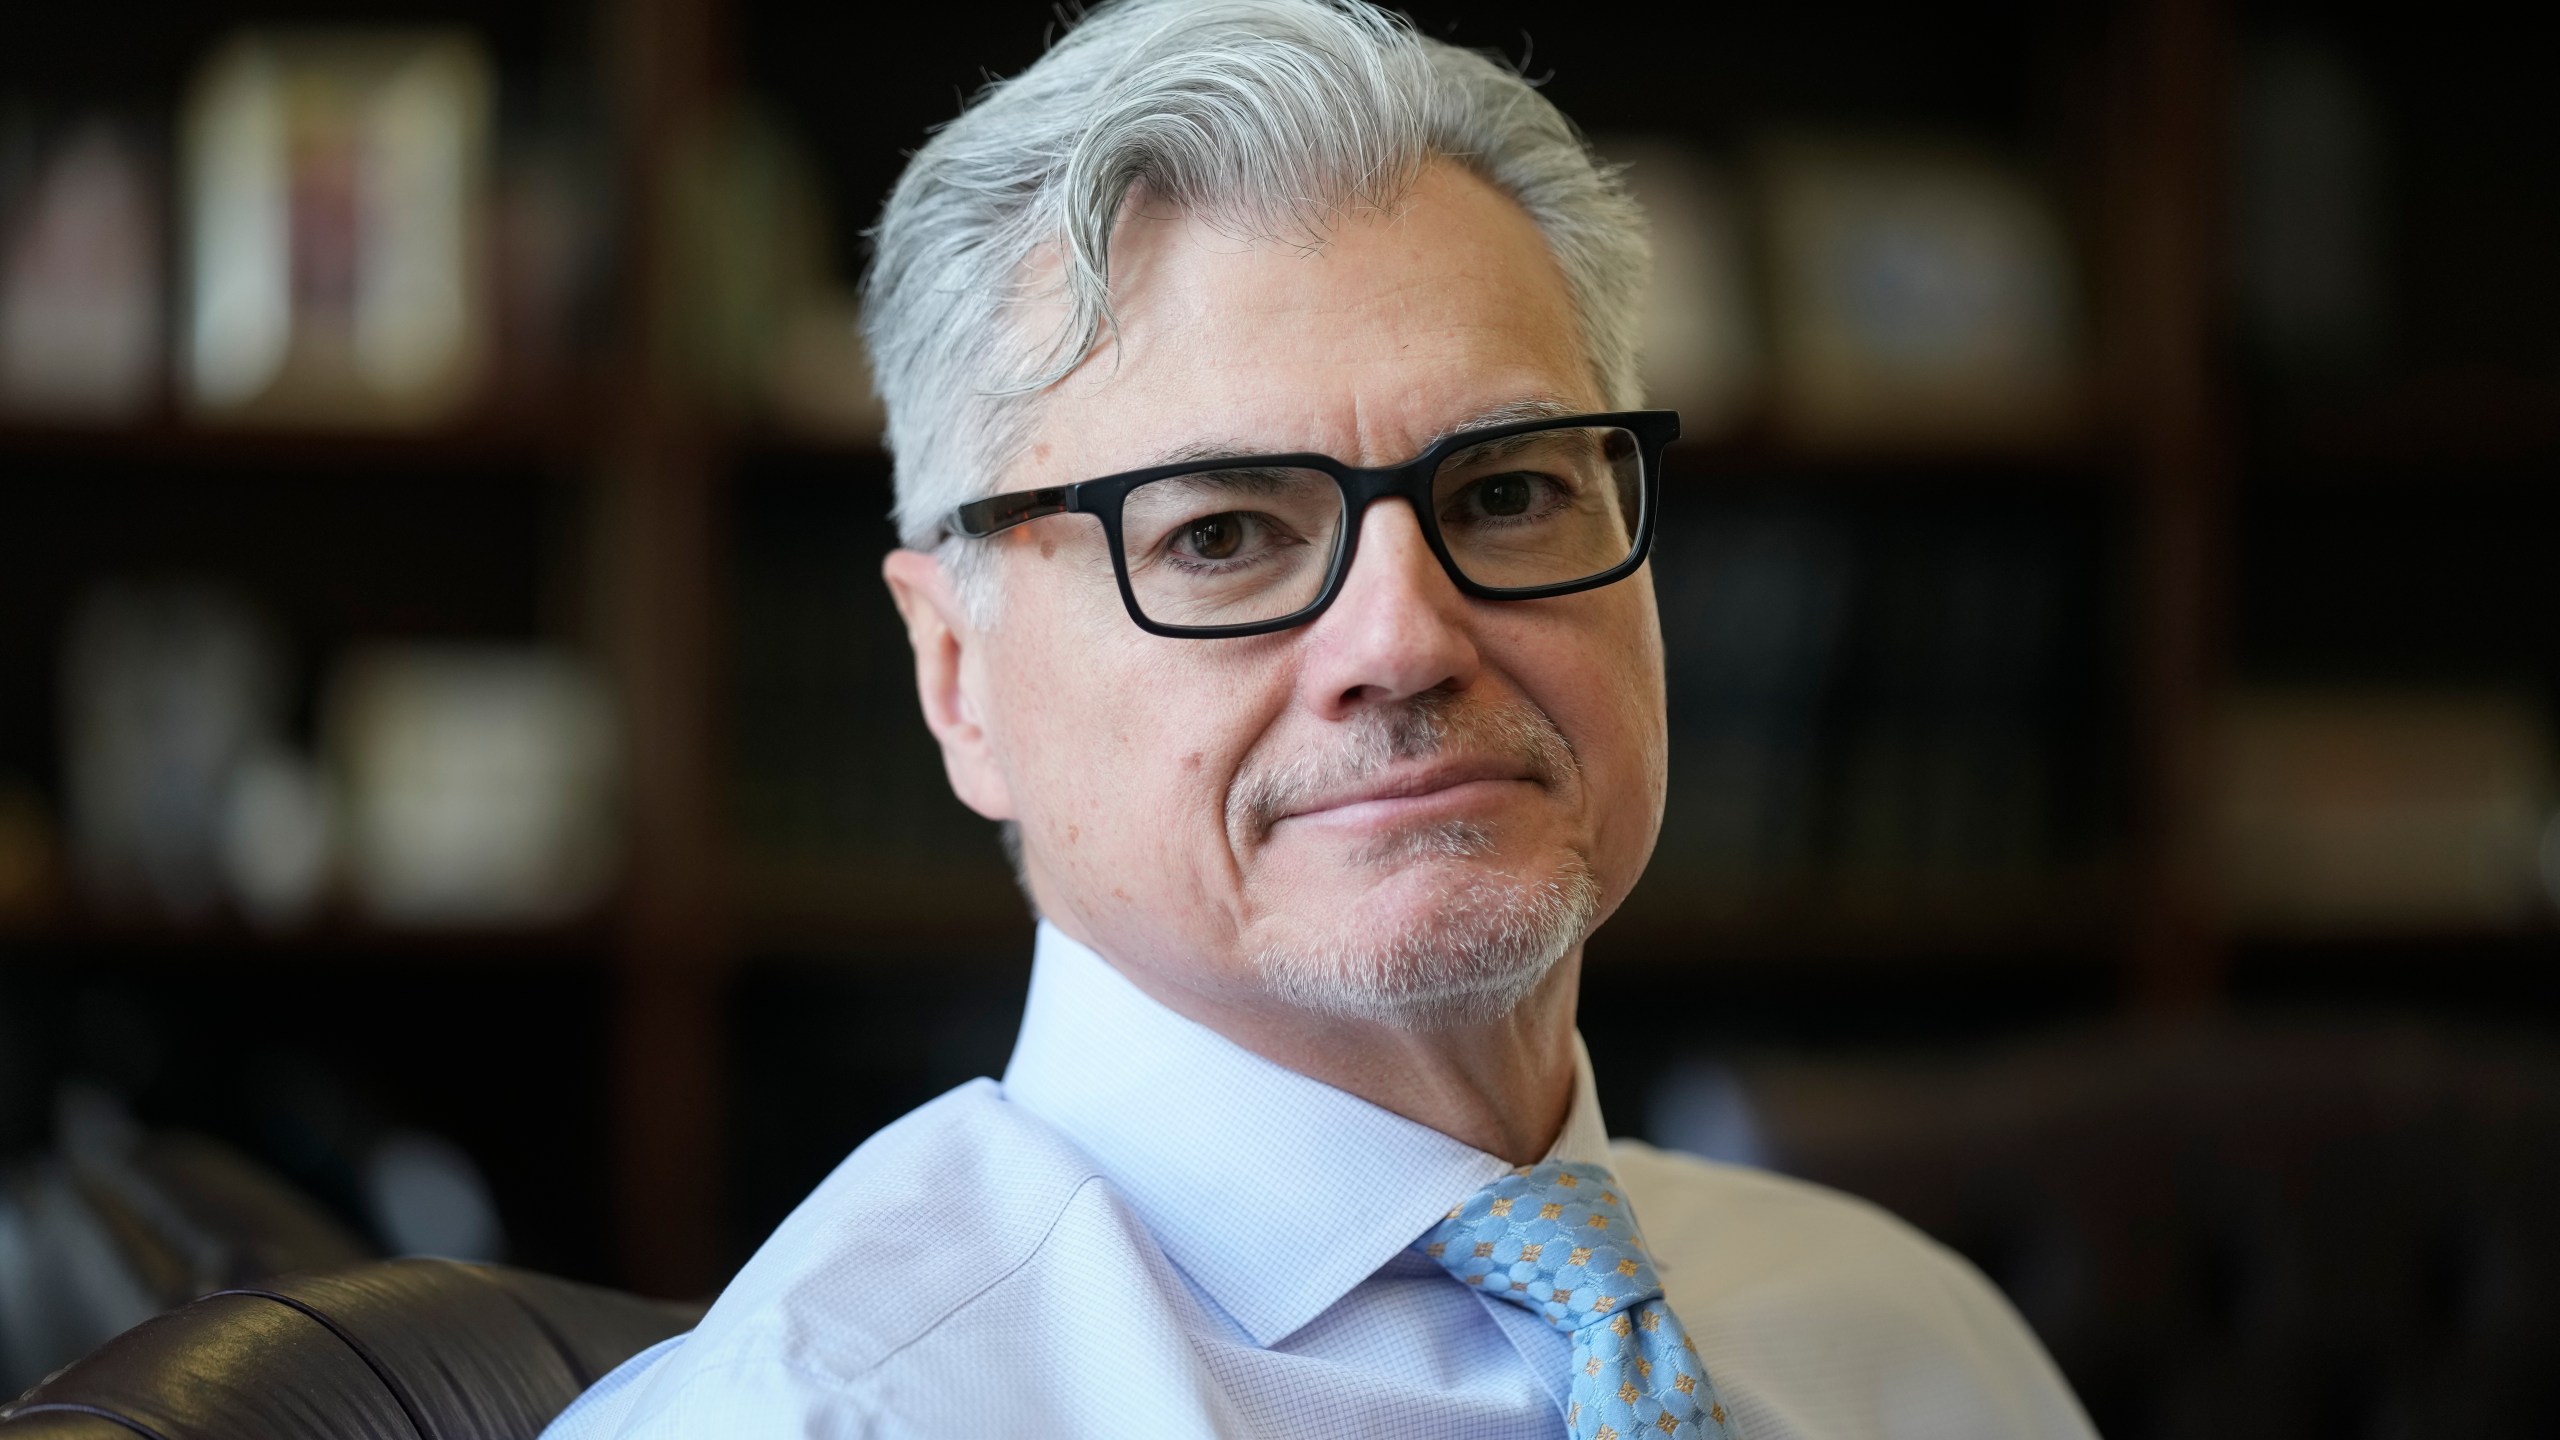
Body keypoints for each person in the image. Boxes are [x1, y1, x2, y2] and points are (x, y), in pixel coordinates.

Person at [545, 1, 2096, 1435]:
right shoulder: (831, 1412)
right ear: (958, 678)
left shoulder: (1919, 1344)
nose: (1405, 640)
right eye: (1221, 534)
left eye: (1505, 494)